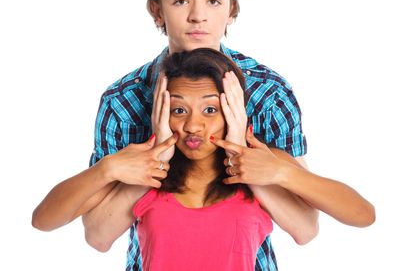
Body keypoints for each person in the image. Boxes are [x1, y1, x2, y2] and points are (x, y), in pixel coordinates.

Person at [81, 0, 319, 271]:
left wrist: (242, 155)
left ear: (232, 9)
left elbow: (306, 227)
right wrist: (154, 160)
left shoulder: (269, 93)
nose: (197, 17)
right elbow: (97, 235)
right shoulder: (122, 101)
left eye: (213, 1)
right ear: (156, 9)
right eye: (180, 1)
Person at [32, 48, 374, 271]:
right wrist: (108, 168)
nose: (193, 125)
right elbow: (54, 224)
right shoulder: (145, 170)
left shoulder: (263, 167)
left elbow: (357, 217)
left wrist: (280, 173)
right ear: (161, 112)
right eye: (179, 109)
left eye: (210, 109)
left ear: (232, 111)